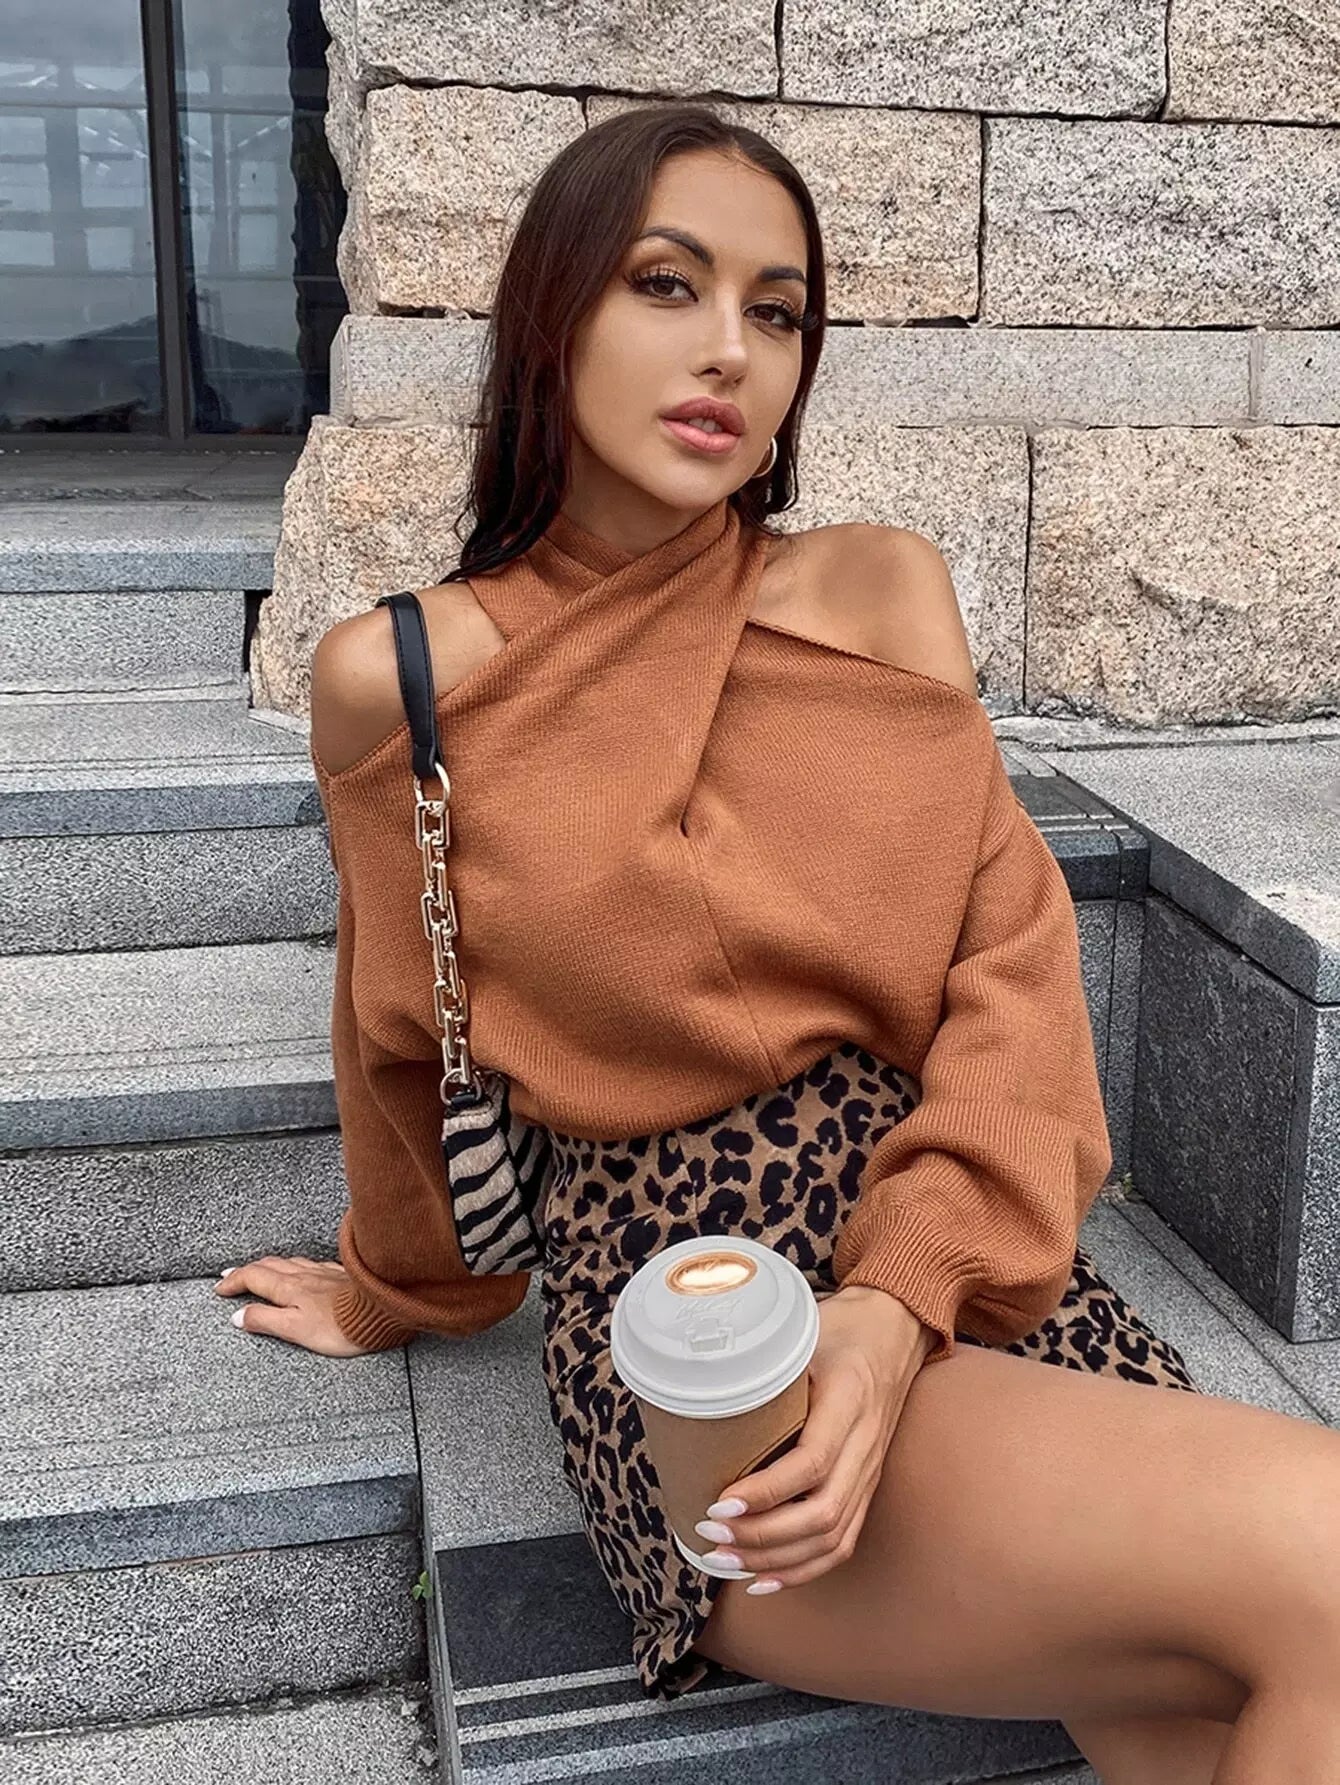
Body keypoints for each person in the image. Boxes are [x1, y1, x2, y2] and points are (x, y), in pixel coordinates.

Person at [217, 104, 1340, 1779]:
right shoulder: (403, 679)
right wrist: (396, 1289)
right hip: (698, 1323)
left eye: (778, 309)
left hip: (961, 1241)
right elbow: (396, 1037)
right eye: (666, 284)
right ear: (554, 315)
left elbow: (1011, 967)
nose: (730, 352)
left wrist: (900, 1297)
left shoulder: (880, 592)